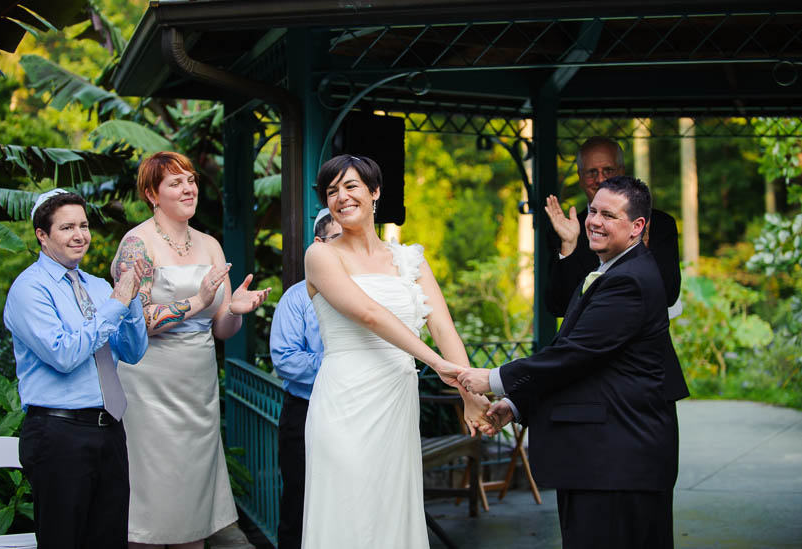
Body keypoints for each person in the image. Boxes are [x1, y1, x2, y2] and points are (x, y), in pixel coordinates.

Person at [459, 176, 681, 549]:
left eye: (608, 215)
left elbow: (574, 356)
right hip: (599, 459)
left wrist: (494, 379)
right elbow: (582, 362)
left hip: (619, 460)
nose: (594, 221)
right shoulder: (609, 270)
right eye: (593, 211)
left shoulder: (631, 280)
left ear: (637, 227)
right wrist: (516, 405)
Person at [301, 154, 492, 548]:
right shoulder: (320, 255)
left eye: (351, 186)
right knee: (349, 511)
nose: (342, 197)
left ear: (374, 192)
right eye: (332, 190)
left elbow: (443, 326)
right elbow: (370, 314)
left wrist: (469, 394)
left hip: (395, 403)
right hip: (345, 403)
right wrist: (436, 363)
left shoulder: (410, 259)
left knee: (391, 510)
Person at [110, 151, 271, 549]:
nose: (188, 189)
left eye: (191, 180)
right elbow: (137, 320)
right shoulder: (137, 244)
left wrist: (235, 310)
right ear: (152, 194)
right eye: (175, 183)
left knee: (192, 505)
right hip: (149, 386)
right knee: (151, 502)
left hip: (198, 385)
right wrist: (197, 302)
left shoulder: (210, 244)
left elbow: (221, 329)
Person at [4, 189, 148, 549]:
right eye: (67, 227)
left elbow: (132, 352)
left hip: (110, 431)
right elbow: (65, 354)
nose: (79, 235)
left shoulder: (99, 287)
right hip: (58, 434)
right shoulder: (29, 290)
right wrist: (117, 304)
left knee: (110, 540)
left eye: (83, 225)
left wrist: (129, 302)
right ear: (42, 234)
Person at [545, 136, 682, 319]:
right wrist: (569, 245)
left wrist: (642, 242)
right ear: (580, 177)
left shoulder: (659, 224)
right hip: (588, 341)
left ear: (622, 172)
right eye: (591, 172)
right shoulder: (564, 230)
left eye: (608, 170)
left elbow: (668, 295)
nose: (601, 179)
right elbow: (559, 306)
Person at [270, 208, 341, 549]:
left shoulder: (372, 290)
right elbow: (285, 359)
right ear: (319, 244)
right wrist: (340, 365)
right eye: (338, 239)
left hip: (356, 412)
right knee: (300, 502)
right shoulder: (296, 298)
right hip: (306, 410)